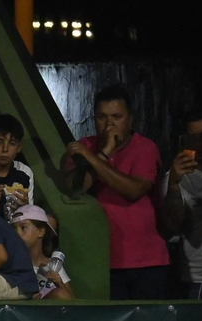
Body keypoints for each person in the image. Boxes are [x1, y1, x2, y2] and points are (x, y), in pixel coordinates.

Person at [61, 85, 169, 299]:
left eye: (117, 116)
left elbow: (134, 190)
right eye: (102, 117)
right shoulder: (84, 145)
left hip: (147, 261)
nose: (109, 124)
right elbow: (76, 187)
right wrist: (105, 152)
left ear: (130, 120)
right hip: (102, 260)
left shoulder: (145, 147)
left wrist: (92, 158)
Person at [160, 107, 202, 300]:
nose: (199, 144)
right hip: (200, 276)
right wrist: (174, 186)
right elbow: (172, 226)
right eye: (192, 138)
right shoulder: (176, 177)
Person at [12, 203, 73, 300]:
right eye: (14, 229)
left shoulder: (54, 265)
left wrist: (60, 283)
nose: (17, 233)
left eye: (23, 228)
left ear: (40, 232)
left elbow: (72, 300)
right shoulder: (12, 263)